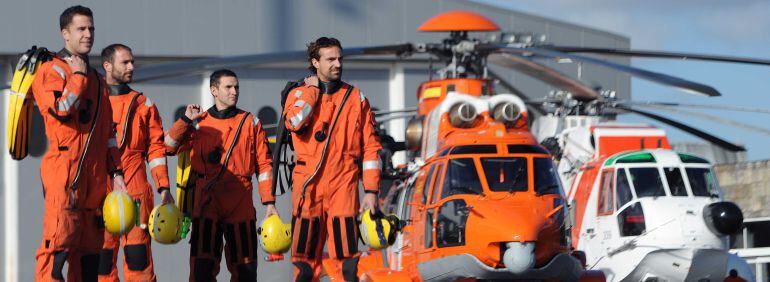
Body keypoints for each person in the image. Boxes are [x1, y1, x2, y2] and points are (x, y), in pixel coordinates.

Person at [30, 5, 126, 281]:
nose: (88, 34)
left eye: (91, 29)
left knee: (89, 262)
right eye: (81, 29)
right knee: (55, 253)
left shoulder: (98, 80)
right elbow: (60, 109)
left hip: (94, 184)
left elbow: (108, 132)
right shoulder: (51, 71)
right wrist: (78, 77)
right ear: (65, 34)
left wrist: (116, 173)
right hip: (64, 177)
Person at [283, 37, 382, 281]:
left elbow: (371, 148)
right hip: (309, 186)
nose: (338, 64)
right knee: (304, 261)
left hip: (344, 185)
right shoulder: (299, 94)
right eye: (330, 59)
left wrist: (370, 191)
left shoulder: (356, 98)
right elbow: (293, 122)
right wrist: (313, 92)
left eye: (339, 58)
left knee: (347, 258)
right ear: (315, 62)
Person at [164, 69, 277, 281]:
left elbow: (264, 166)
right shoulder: (198, 122)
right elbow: (168, 147)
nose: (234, 91)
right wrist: (184, 121)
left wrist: (269, 203)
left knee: (246, 271)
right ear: (214, 90)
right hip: (207, 203)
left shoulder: (250, 123)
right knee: (201, 270)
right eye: (228, 87)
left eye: (236, 87)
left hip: (240, 202)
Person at [97, 44, 174, 281]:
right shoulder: (93, 102)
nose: (131, 67)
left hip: (136, 190)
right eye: (125, 63)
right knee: (101, 263)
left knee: (138, 259)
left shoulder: (143, 105)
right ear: (107, 66)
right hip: (100, 191)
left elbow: (156, 150)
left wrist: (164, 187)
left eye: (132, 62)